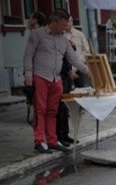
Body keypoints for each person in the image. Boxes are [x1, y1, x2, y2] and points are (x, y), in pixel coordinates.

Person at [23, 9, 89, 154]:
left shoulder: (64, 40)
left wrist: (87, 70)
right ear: (53, 22)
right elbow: (28, 56)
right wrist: (28, 75)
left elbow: (73, 58)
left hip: (56, 78)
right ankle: (39, 141)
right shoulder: (37, 35)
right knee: (40, 110)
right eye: (63, 24)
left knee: (53, 111)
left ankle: (52, 140)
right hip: (40, 76)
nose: (66, 27)